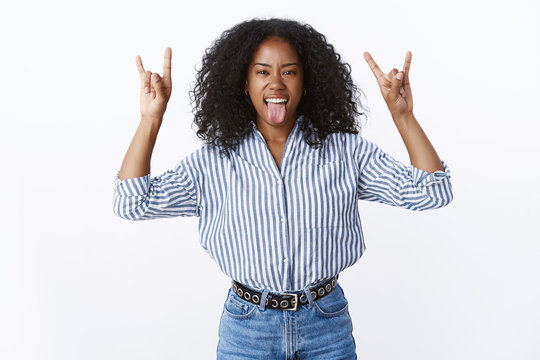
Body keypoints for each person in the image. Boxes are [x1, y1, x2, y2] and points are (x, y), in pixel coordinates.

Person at [112, 18, 453, 359]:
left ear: (307, 82)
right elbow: (132, 203)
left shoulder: (346, 152)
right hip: (248, 331)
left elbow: (432, 192)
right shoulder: (213, 162)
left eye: (289, 72)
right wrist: (150, 119)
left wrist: (402, 115)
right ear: (244, 82)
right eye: (262, 72)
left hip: (326, 326)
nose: (276, 83)